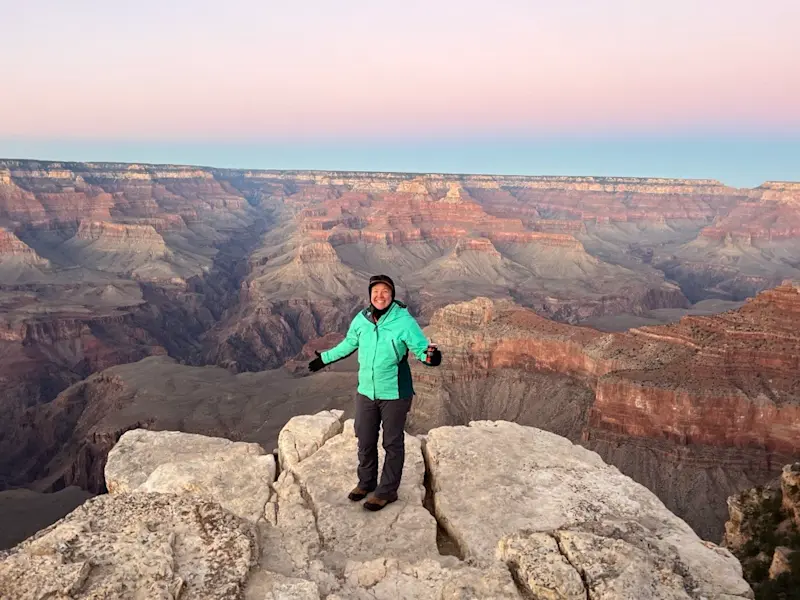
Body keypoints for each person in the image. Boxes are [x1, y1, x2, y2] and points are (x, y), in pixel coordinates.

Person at [308, 274, 442, 511]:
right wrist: (324, 359)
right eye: (376, 292)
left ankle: (387, 491)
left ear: (392, 295)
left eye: (385, 292)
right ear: (370, 294)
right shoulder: (362, 319)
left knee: (392, 442)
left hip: (395, 392)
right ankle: (366, 482)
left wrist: (430, 357)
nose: (380, 296)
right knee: (365, 439)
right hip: (366, 391)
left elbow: (421, 349)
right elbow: (349, 344)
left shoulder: (404, 321)